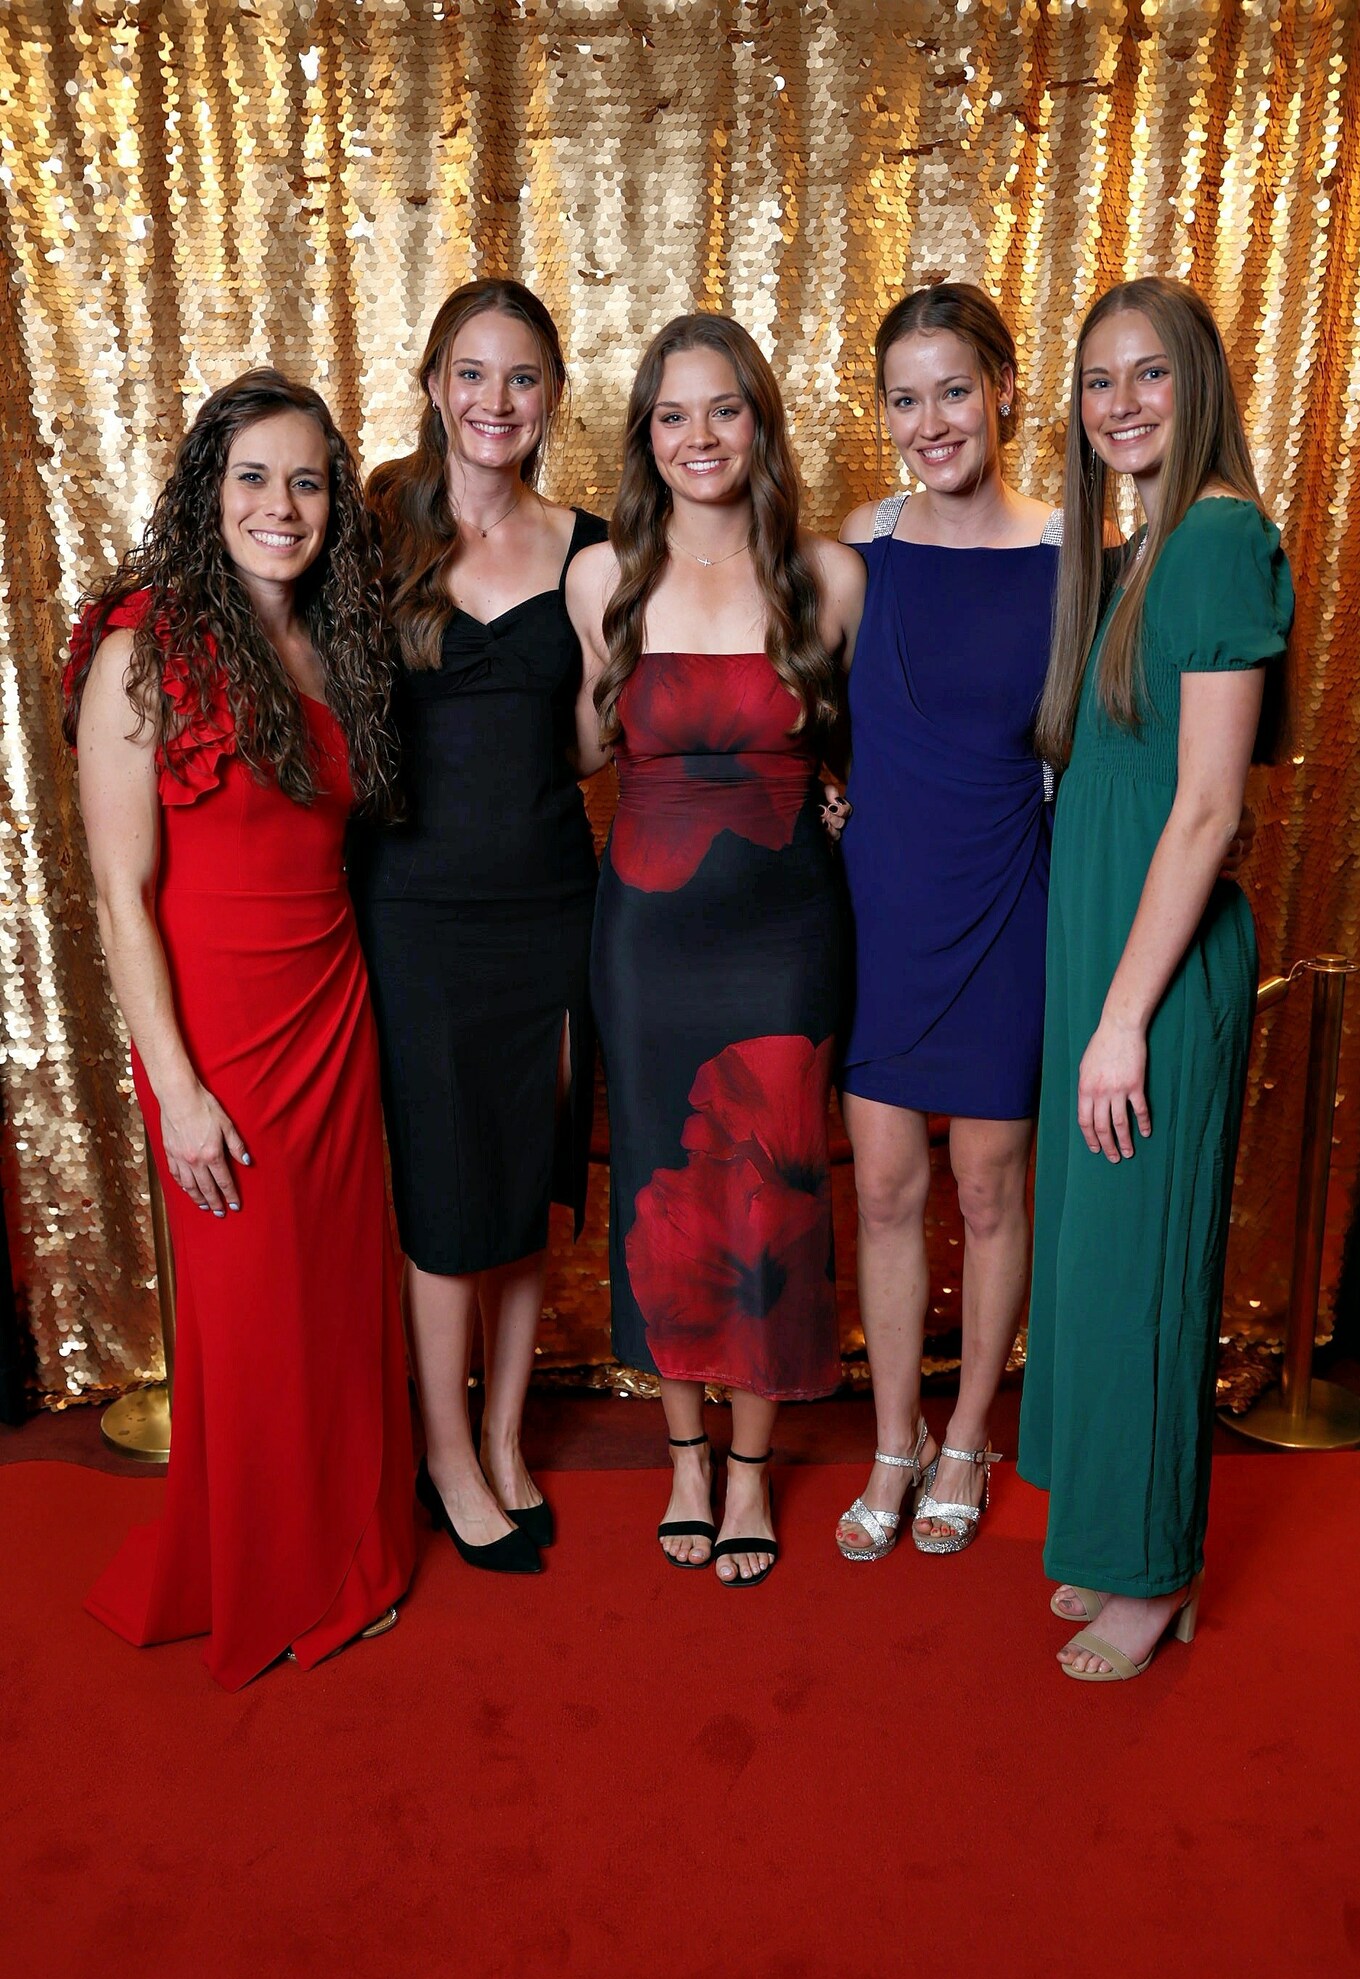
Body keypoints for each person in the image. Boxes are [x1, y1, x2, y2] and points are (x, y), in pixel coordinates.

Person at [65, 368, 415, 1688]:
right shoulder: (141, 651)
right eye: (254, 477)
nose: (283, 504)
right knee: (257, 1315)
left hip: (332, 1012)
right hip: (217, 1038)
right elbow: (121, 894)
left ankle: (346, 1544)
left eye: (308, 481)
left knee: (333, 1304)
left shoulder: (335, 642)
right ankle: (275, 1569)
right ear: (209, 492)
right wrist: (178, 1091)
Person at [1018, 275, 1293, 1680]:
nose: (1119, 405)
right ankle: (1123, 1536)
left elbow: (1208, 809)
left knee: (1145, 1268)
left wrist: (1124, 1020)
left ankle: (1156, 1573)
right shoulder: (1137, 552)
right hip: (1105, 954)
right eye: (1097, 381)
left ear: (1201, 386)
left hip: (1157, 977)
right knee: (1099, 1261)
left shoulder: (1221, 539)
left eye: (1150, 375)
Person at [567, 314, 865, 1586]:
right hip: (646, 933)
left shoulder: (828, 575)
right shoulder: (603, 576)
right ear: (647, 434)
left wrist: (842, 791)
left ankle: (750, 1469)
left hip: (787, 929)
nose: (700, 437)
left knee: (771, 1185)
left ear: (760, 423)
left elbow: (870, 748)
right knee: (666, 1179)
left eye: (724, 410)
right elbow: (586, 747)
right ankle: (683, 1454)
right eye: (674, 414)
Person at [358, 280, 607, 1576]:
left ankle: (506, 1437)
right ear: (434, 384)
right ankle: (445, 1454)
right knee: (448, 1194)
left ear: (553, 394)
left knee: (523, 1179)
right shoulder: (373, 530)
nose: (495, 401)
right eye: (472, 373)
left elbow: (589, 746)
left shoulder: (595, 546)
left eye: (520, 377)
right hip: (415, 912)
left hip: (553, 903)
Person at [832, 283, 1060, 1564]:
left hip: (1008, 899)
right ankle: (895, 1439)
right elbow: (803, 702)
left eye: (955, 391)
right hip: (883, 906)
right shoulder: (858, 546)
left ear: (1004, 391)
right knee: (881, 1186)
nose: (933, 422)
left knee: (986, 1182)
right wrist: (817, 787)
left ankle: (969, 1433)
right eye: (906, 399)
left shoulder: (1074, 552)